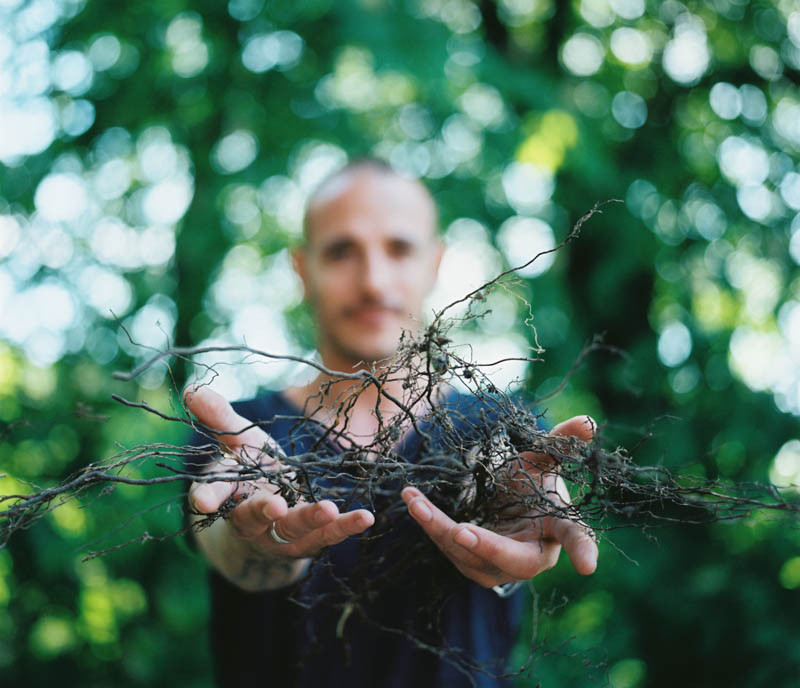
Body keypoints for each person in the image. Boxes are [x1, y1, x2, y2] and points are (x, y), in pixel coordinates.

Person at [184, 159, 598, 687]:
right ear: (301, 270)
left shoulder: (500, 426)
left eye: (399, 249)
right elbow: (227, 538)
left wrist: (508, 502)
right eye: (341, 251)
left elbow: (499, 469)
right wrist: (257, 538)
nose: (373, 281)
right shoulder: (239, 430)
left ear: (434, 263)